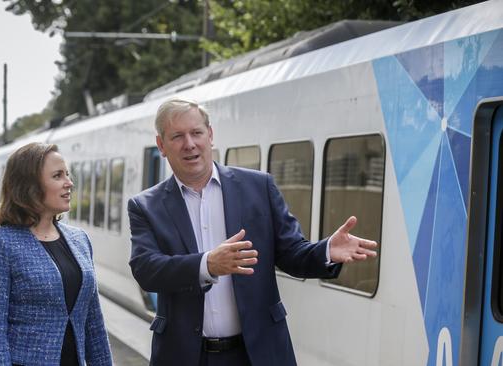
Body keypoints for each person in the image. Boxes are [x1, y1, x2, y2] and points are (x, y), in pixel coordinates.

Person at [128, 98, 379, 366]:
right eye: (177, 136)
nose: (189, 144)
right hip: (185, 356)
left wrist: (327, 250)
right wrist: (207, 264)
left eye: (196, 133)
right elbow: (146, 269)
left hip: (257, 353)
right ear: (161, 146)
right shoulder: (145, 206)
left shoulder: (258, 187)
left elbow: (291, 253)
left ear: (210, 136)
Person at [0, 142, 112, 366]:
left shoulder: (80, 240)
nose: (69, 183)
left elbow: (93, 323)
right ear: (30, 186)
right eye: (58, 176)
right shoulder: (0, 245)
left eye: (68, 174)